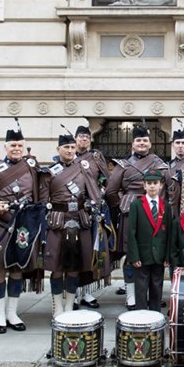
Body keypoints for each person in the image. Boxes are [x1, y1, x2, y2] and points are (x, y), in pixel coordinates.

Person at [0, 121, 41, 333]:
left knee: (17, 269)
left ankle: (12, 313)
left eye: (19, 145)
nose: (16, 149)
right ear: (5, 147)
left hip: (23, 225)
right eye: (12, 145)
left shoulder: (31, 167)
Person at [105, 122, 169, 308]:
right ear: (132, 144)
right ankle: (131, 296)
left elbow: (169, 189)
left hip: (156, 215)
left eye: (145, 140)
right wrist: (124, 204)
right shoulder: (123, 165)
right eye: (138, 140)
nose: (141, 143)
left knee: (153, 254)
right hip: (130, 215)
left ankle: (153, 296)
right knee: (131, 255)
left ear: (150, 144)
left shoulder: (159, 164)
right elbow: (110, 191)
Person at [39, 131, 102, 318]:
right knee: (57, 268)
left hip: (80, 221)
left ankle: (69, 307)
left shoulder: (85, 168)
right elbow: (43, 202)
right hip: (57, 223)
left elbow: (94, 194)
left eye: (72, 147)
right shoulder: (48, 172)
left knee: (75, 268)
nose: (69, 150)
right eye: (65, 147)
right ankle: (57, 308)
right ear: (58, 149)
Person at [73, 121, 110, 310]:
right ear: (75, 139)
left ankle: (87, 292)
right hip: (72, 212)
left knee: (90, 251)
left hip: (92, 210)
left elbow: (104, 178)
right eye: (81, 137)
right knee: (73, 253)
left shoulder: (96, 157)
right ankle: (72, 294)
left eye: (87, 137)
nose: (84, 140)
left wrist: (101, 190)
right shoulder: (66, 157)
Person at [126, 169, 171, 312]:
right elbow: (131, 233)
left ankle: (155, 315)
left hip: (159, 255)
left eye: (155, 183)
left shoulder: (166, 206)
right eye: (149, 183)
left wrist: (167, 256)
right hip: (142, 255)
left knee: (157, 287)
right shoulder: (136, 205)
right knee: (141, 288)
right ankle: (141, 316)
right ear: (144, 186)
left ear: (161, 186)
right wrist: (134, 256)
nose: (152, 186)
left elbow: (169, 233)